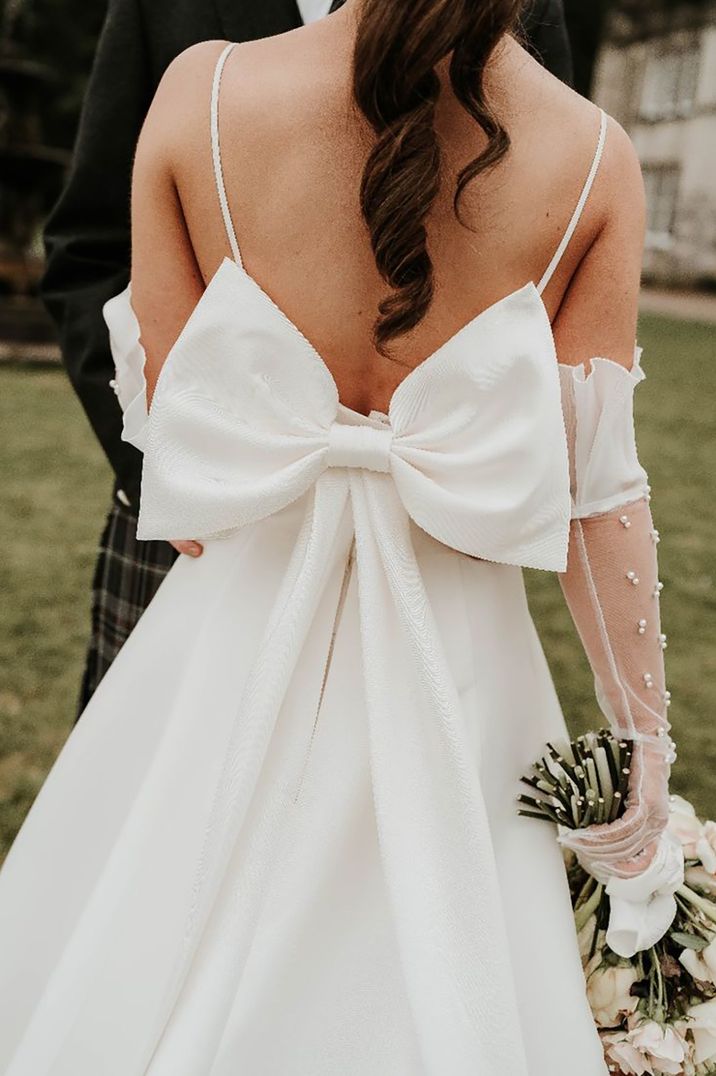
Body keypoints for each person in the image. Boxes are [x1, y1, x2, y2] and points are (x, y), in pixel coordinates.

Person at [1, 1, 675, 1072]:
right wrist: (642, 737)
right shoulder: (593, 156)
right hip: (460, 667)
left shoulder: (199, 94)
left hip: (222, 653)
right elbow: (602, 496)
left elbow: (174, 420)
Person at [41, 0, 573, 715]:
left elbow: (544, 231)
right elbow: (91, 251)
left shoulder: (521, 8)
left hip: (429, 541)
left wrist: (473, 477)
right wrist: (163, 462)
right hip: (195, 522)